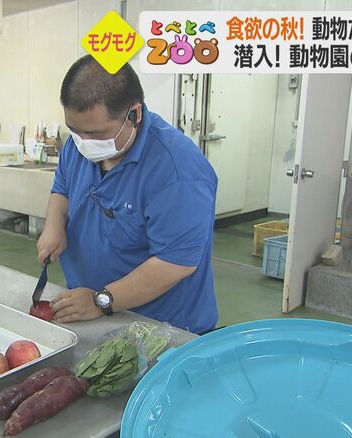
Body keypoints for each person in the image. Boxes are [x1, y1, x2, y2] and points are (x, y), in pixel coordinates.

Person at [36, 55, 219, 334]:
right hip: (95, 315)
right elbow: (62, 189)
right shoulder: (79, 144)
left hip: (163, 329)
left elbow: (173, 264)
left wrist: (100, 301)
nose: (84, 143)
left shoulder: (178, 172)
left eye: (95, 134)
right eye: (75, 131)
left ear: (135, 113)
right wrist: (54, 225)